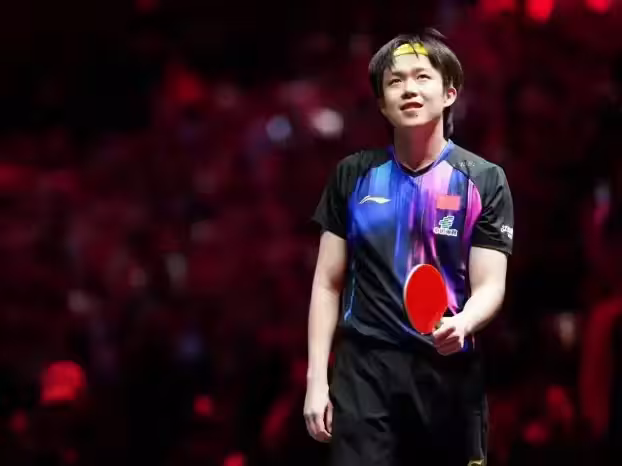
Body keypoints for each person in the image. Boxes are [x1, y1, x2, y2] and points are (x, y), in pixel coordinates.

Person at [303, 29, 514, 466]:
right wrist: (316, 380)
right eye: (395, 81)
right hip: (366, 372)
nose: (409, 89)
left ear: (450, 92)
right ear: (382, 103)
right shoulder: (353, 176)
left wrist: (464, 322)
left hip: (448, 370)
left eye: (422, 76)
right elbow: (327, 283)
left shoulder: (483, 179)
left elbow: (491, 284)